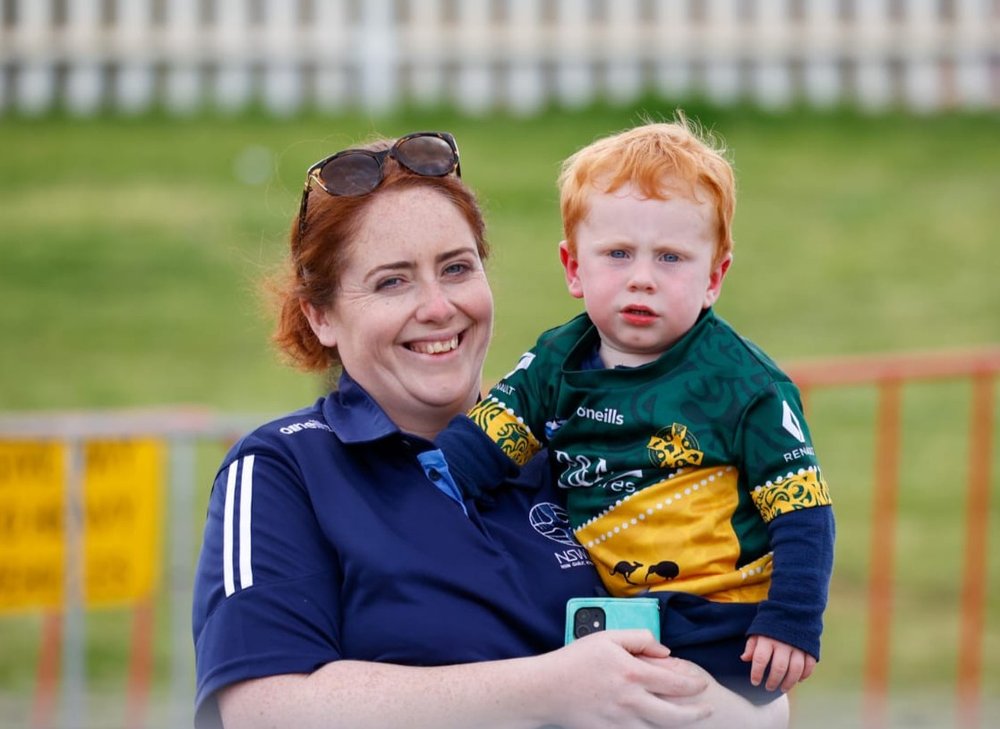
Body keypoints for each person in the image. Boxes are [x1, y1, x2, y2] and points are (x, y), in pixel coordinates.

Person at [191, 130, 793, 729]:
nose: (437, 307)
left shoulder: (582, 445)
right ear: (319, 315)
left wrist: (733, 708)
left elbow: (749, 674)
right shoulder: (282, 467)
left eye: (456, 269)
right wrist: (548, 689)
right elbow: (261, 706)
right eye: (392, 281)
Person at [434, 117, 836, 704]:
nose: (642, 279)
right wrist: (421, 484)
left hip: (720, 620)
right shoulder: (555, 360)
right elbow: (486, 441)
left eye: (671, 258)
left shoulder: (746, 385)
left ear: (713, 277)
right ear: (574, 268)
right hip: (598, 615)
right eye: (618, 254)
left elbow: (805, 511)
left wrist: (792, 620)